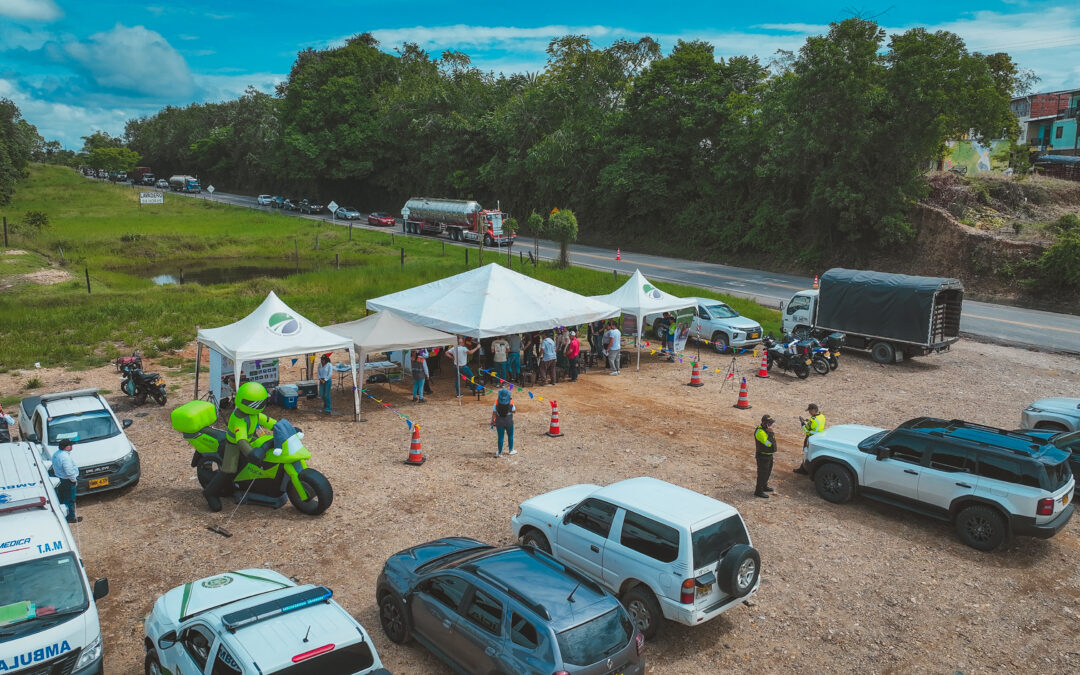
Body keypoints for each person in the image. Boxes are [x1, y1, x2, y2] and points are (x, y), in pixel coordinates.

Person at [204, 382, 277, 512]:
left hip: (250, 439)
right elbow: (241, 439)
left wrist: (284, 428)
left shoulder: (254, 414)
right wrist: (252, 454)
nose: (261, 405)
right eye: (258, 403)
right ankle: (210, 492)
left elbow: (269, 421)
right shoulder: (239, 419)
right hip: (234, 445)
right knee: (229, 470)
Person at [51, 439, 81, 522]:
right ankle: (70, 517)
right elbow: (69, 471)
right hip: (67, 480)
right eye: (70, 445)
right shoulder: (65, 457)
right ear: (66, 447)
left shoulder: (56, 454)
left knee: (62, 498)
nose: (72, 446)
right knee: (69, 499)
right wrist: (73, 480)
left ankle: (63, 516)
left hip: (59, 478)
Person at [794, 403, 826, 475]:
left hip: (810, 438)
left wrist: (802, 422)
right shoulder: (822, 416)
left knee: (806, 452)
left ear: (814, 410)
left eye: (810, 411)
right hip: (818, 437)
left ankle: (804, 470)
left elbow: (806, 429)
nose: (809, 412)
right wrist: (808, 421)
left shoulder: (813, 420)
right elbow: (817, 424)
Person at [754, 415, 777, 498]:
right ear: (765, 423)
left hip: (768, 455)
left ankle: (764, 486)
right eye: (769, 423)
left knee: (767, 472)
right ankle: (758, 491)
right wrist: (771, 433)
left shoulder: (766, 430)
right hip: (763, 457)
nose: (771, 425)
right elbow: (769, 444)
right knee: (762, 474)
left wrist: (770, 432)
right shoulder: (760, 432)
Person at [490, 388, 517, 457]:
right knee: (510, 435)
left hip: (499, 422)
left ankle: (500, 453)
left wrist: (492, 421)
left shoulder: (496, 402)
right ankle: (511, 450)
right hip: (509, 421)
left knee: (500, 437)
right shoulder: (511, 402)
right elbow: (514, 411)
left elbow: (494, 413)